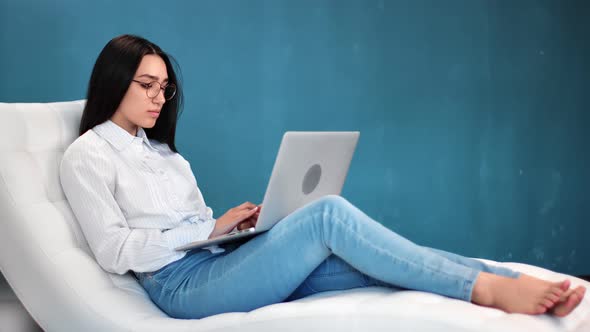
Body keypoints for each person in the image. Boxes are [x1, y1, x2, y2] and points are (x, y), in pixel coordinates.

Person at [59, 34, 586, 320]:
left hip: (219, 261)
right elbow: (114, 250)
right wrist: (208, 231)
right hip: (180, 287)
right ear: (115, 81)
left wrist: (232, 230)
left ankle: (502, 278)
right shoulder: (88, 155)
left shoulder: (167, 155)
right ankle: (490, 290)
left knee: (363, 259)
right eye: (147, 85)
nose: (158, 97)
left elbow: (198, 225)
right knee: (328, 215)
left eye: (164, 88)